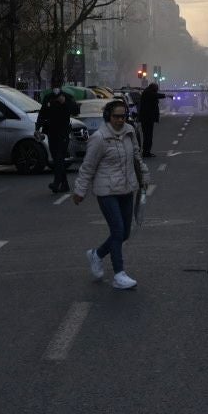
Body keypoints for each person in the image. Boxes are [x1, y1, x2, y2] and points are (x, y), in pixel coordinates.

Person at [71, 99, 148, 290]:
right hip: (106, 191)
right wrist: (80, 190)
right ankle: (119, 274)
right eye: (116, 116)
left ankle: (96, 254)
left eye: (123, 116)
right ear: (108, 117)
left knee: (124, 233)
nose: (120, 120)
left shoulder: (130, 132)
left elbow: (137, 157)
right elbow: (88, 167)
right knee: (117, 230)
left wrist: (144, 176)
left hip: (127, 188)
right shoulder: (99, 138)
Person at [37, 83, 79, 195]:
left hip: (63, 132)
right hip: (51, 132)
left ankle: (56, 182)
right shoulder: (48, 97)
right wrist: (37, 128)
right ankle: (64, 184)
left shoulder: (67, 97)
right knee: (56, 158)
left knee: (60, 156)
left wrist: (64, 102)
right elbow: (42, 113)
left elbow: (75, 110)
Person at [137, 80, 161, 157]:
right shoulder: (148, 93)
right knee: (148, 136)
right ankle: (146, 152)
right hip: (147, 119)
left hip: (148, 118)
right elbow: (156, 95)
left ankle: (147, 151)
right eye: (156, 89)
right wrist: (167, 95)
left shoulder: (148, 92)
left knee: (148, 136)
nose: (156, 91)